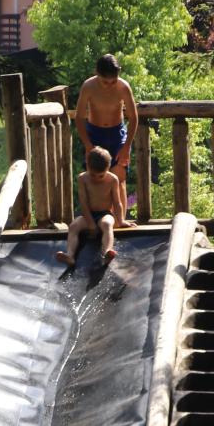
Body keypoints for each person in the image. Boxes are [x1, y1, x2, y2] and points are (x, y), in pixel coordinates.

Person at [75, 54, 139, 229]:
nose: (110, 85)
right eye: (105, 82)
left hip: (117, 134)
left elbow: (133, 117)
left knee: (119, 178)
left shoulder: (123, 87)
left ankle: (120, 222)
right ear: (97, 73)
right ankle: (96, 222)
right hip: (95, 134)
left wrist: (126, 147)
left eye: (113, 81)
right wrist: (88, 145)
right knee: (96, 178)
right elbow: (79, 117)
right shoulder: (88, 86)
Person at [56, 146, 122, 268]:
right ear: (87, 166)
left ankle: (107, 252)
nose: (96, 178)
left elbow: (117, 203)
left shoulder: (113, 179)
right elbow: (84, 203)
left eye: (100, 176)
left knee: (107, 224)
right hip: (88, 214)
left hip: (105, 214)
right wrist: (91, 223)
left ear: (108, 168)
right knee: (73, 226)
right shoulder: (83, 178)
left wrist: (121, 221)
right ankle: (70, 255)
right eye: (93, 175)